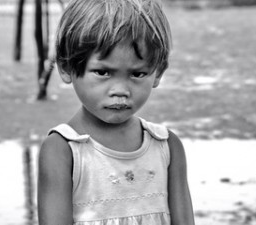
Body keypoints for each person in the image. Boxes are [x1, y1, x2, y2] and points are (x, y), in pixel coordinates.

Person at [37, 0, 195, 224]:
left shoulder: (167, 147)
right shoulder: (63, 150)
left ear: (157, 72)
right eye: (102, 72)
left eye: (138, 74)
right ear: (67, 67)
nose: (120, 91)